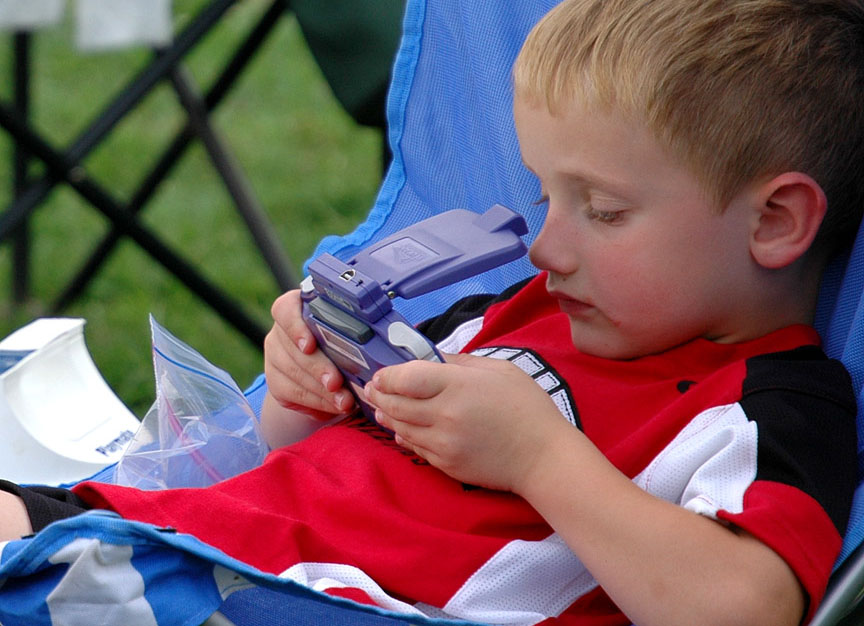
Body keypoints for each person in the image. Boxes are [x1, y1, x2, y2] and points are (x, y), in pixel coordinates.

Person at [2, 0, 864, 624]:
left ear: (775, 222)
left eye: (601, 210)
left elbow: (745, 608)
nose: (545, 245)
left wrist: (540, 459)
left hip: (282, 596)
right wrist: (300, 391)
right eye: (539, 193)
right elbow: (270, 463)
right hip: (178, 534)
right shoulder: (512, 314)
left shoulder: (768, 405)